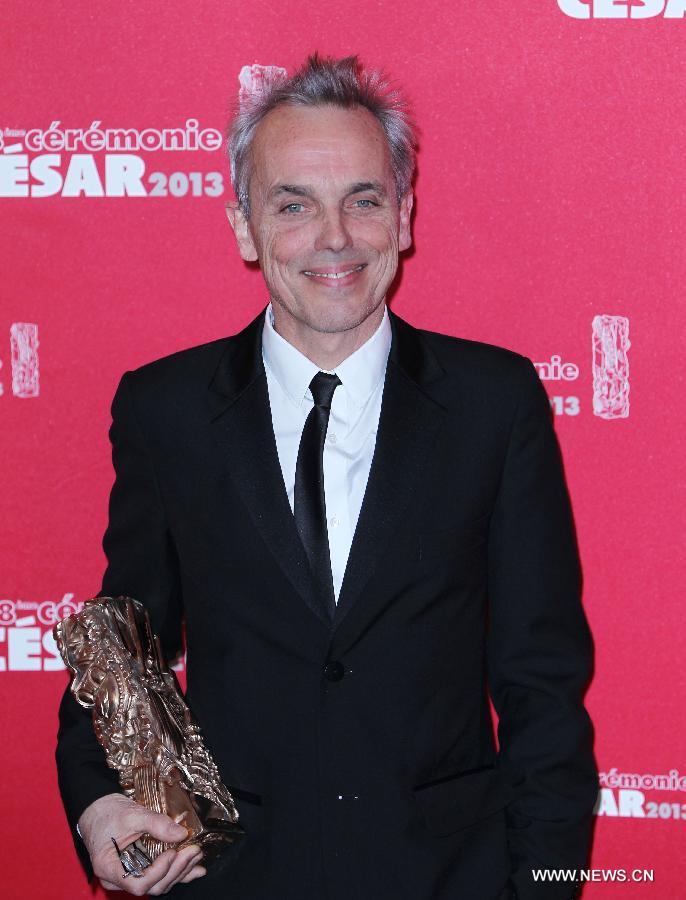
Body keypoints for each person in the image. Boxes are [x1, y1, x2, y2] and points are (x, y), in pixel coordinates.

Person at [56, 53, 597, 900]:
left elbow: (544, 686)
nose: (335, 237)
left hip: (447, 877)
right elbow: (126, 646)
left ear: (406, 215)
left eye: (365, 200)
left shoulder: (496, 404)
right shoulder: (167, 410)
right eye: (293, 204)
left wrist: (546, 886)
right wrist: (97, 805)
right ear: (243, 226)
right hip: (233, 876)